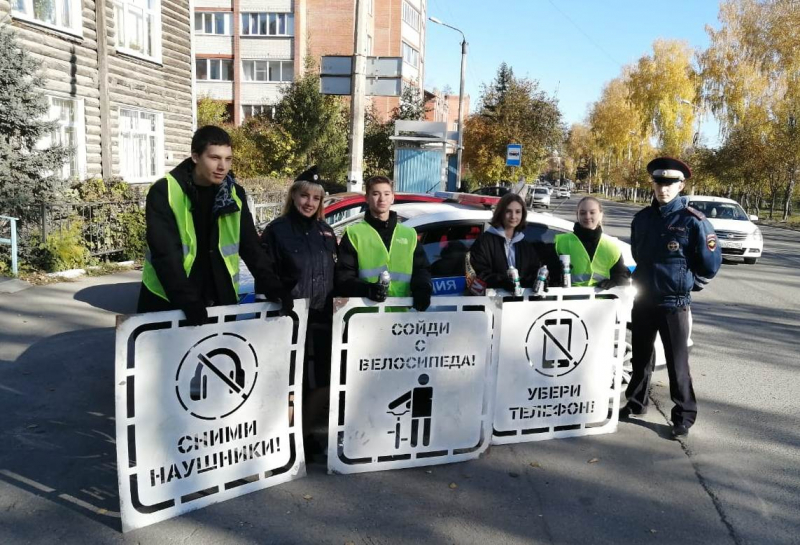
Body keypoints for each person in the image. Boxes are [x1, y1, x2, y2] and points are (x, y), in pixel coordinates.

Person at [137, 125, 291, 323]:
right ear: (195, 157)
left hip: (219, 298)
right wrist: (188, 300)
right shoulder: (164, 191)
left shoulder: (234, 194)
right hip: (169, 300)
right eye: (214, 158)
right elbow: (165, 254)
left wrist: (274, 286)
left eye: (228, 159)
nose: (222, 167)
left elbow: (251, 246)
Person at [622, 157, 722, 439]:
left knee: (677, 363)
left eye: (670, 183)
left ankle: (683, 416)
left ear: (681, 185)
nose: (663, 188)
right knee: (641, 357)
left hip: (674, 304)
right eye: (659, 182)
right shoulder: (642, 219)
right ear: (652, 183)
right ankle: (636, 402)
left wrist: (690, 284)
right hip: (643, 301)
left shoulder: (693, 221)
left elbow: (711, 262)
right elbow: (639, 255)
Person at [258, 166, 337, 457]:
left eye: (316, 198)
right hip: (288, 320)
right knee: (291, 383)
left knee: (321, 383)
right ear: (293, 196)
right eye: (304, 196)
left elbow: (334, 276)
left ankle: (306, 436)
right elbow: (264, 277)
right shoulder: (277, 231)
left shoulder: (326, 232)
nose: (309, 203)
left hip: (321, 319)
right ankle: (283, 439)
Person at [335, 175, 432, 310]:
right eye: (376, 194)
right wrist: (367, 290)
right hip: (365, 316)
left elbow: (422, 270)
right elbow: (343, 278)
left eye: (386, 194)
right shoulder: (353, 234)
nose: (382, 199)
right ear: (367, 198)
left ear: (392, 197)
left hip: (401, 316)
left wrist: (423, 288)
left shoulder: (409, 234)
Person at [469, 193, 562, 292]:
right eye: (508, 211)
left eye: (518, 212)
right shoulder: (484, 242)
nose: (513, 216)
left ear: (523, 214)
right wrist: (503, 282)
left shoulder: (525, 245)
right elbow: (479, 273)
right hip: (492, 302)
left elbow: (534, 271)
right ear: (500, 213)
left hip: (520, 303)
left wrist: (538, 280)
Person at [555, 196, 630, 288]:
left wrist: (615, 282)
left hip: (601, 301)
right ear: (577, 215)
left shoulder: (611, 246)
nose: (587, 216)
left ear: (600, 215)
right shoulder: (561, 242)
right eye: (582, 213)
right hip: (569, 300)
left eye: (592, 212)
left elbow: (622, 277)